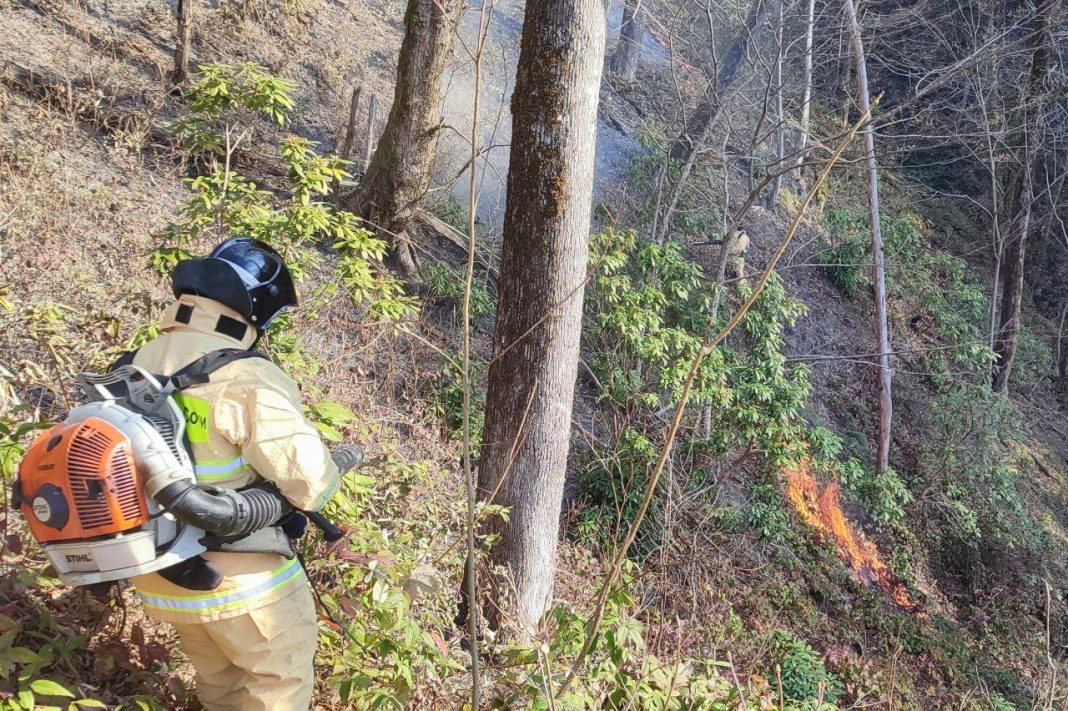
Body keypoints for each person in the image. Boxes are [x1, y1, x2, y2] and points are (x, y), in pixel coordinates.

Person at [125, 237, 342, 710]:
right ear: (258, 311)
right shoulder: (244, 375)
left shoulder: (138, 361)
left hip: (160, 572)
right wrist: (337, 466)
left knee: (219, 682)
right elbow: (309, 482)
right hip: (242, 580)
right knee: (278, 683)